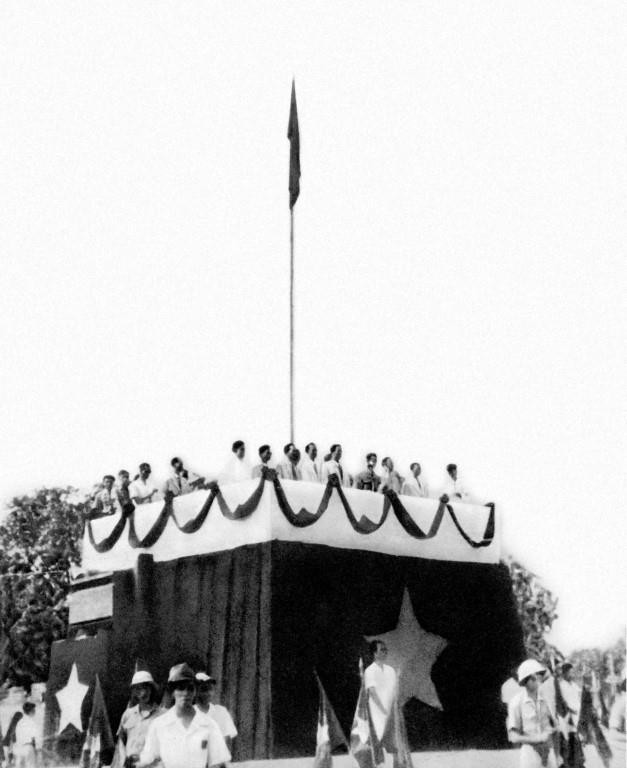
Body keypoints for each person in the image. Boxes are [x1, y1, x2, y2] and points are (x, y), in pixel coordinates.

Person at [139, 663, 230, 768]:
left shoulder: (209, 725)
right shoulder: (159, 725)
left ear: (195, 691)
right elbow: (147, 762)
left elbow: (219, 762)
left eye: (190, 688)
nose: (186, 693)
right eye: (180, 688)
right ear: (172, 691)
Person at [507, 658, 557, 768]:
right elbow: (513, 737)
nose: (540, 678)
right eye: (538, 675)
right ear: (530, 678)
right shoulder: (516, 702)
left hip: (549, 751)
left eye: (540, 675)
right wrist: (536, 739)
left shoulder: (546, 698)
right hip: (530, 755)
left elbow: (554, 725)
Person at [117, 671, 163, 767]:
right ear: (134, 692)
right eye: (138, 689)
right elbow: (121, 739)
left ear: (151, 689)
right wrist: (123, 758)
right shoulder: (128, 714)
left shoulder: (162, 716)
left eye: (146, 687)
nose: (143, 692)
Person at [364, 640, 397, 755]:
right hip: (377, 712)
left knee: (392, 742)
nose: (385, 652)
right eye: (382, 650)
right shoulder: (369, 671)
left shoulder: (391, 670)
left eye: (385, 649)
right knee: (378, 739)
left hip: (391, 711)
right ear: (375, 653)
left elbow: (394, 691)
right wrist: (383, 710)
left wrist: (392, 709)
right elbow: (372, 692)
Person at [194, 673, 237, 752]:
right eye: (204, 690)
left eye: (210, 689)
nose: (208, 693)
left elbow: (226, 739)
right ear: (195, 691)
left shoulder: (221, 711)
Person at [558, 663, 585, 767]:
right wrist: (570, 711)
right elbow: (562, 703)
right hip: (567, 720)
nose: (572, 674)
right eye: (570, 672)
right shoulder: (561, 686)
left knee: (577, 747)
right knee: (568, 747)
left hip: (577, 719)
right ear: (564, 673)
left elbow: (579, 699)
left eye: (573, 672)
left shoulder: (574, 685)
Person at [13, 700, 40, 768]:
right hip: (28, 747)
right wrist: (38, 749)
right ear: (31, 711)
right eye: (34, 710)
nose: (35, 712)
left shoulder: (20, 722)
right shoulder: (32, 722)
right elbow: (37, 737)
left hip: (19, 749)